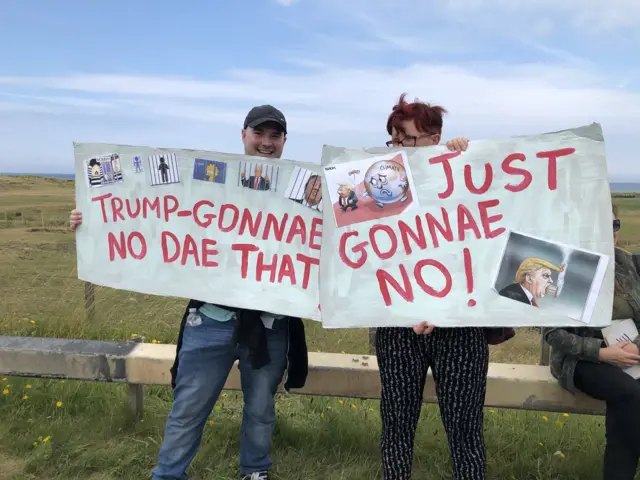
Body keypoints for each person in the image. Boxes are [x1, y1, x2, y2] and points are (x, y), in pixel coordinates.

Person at [69, 105, 308, 480]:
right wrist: (91, 220)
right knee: (188, 408)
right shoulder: (207, 184)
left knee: (261, 410)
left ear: (283, 141)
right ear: (243, 135)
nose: (266, 142)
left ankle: (255, 472)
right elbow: (146, 209)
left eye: (274, 136)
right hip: (210, 320)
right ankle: (168, 473)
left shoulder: (301, 191)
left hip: (268, 324)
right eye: (259, 134)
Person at [376, 93, 489, 480]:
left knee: (465, 429)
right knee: (396, 423)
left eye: (406, 138)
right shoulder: (381, 185)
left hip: (459, 326)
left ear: (433, 137)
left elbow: (482, 243)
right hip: (398, 325)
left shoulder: (461, 172)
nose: (399, 147)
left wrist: (463, 155)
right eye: (394, 139)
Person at [545, 204, 640, 480]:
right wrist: (602, 353)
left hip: (631, 356)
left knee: (627, 405)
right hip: (581, 361)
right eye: (601, 226)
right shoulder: (565, 270)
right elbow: (553, 334)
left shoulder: (630, 264)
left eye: (614, 225)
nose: (610, 233)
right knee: (630, 393)